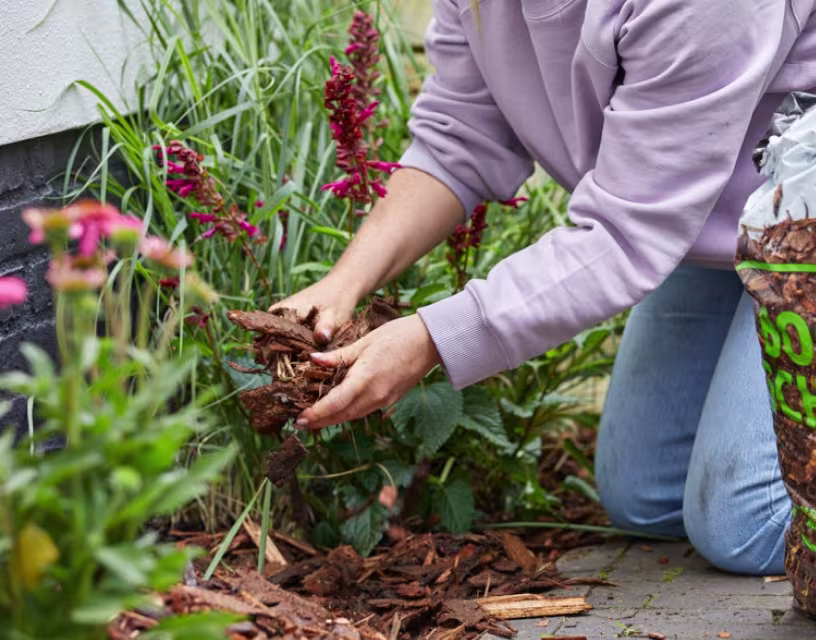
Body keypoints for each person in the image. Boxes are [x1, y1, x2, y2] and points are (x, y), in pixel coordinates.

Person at [273, 0, 816, 575]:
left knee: (748, 524)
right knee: (647, 497)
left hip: (802, 219)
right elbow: (460, 137)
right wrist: (342, 284)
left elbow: (627, 231)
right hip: (718, 221)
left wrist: (431, 338)